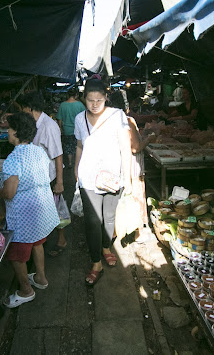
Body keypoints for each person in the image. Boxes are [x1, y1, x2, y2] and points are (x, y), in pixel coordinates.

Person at [0, 112, 59, 308]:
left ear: (16, 132)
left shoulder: (13, 159)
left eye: (9, 129)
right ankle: (41, 278)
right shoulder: (38, 151)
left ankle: (26, 290)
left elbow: (9, 193)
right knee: (37, 243)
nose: (7, 133)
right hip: (42, 207)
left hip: (25, 214)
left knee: (16, 254)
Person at [74, 79, 132, 286]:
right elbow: (80, 146)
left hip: (113, 176)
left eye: (99, 99)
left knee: (109, 217)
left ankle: (106, 247)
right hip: (88, 177)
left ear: (106, 97)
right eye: (90, 100)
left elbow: (126, 147)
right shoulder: (80, 118)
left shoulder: (117, 116)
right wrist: (75, 169)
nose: (95, 104)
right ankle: (96, 262)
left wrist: (128, 177)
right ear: (84, 99)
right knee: (91, 221)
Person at [18, 91, 67, 257]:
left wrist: (59, 182)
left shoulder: (48, 126)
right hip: (38, 176)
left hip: (50, 176)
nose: (22, 113)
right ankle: (43, 242)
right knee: (46, 212)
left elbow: (58, 155)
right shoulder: (34, 123)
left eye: (23, 109)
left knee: (56, 210)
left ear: (30, 108)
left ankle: (61, 240)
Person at [108, 92, 156, 243]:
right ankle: (139, 233)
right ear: (125, 105)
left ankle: (116, 232)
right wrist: (149, 138)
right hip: (133, 166)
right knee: (137, 197)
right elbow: (135, 148)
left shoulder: (108, 120)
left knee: (120, 200)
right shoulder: (128, 121)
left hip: (117, 166)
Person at [56, 87, 85, 168]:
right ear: (76, 95)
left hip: (67, 130)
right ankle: (78, 162)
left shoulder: (62, 105)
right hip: (78, 130)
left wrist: (60, 129)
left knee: (68, 147)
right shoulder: (80, 105)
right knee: (78, 146)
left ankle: (69, 162)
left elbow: (59, 119)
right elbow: (84, 117)